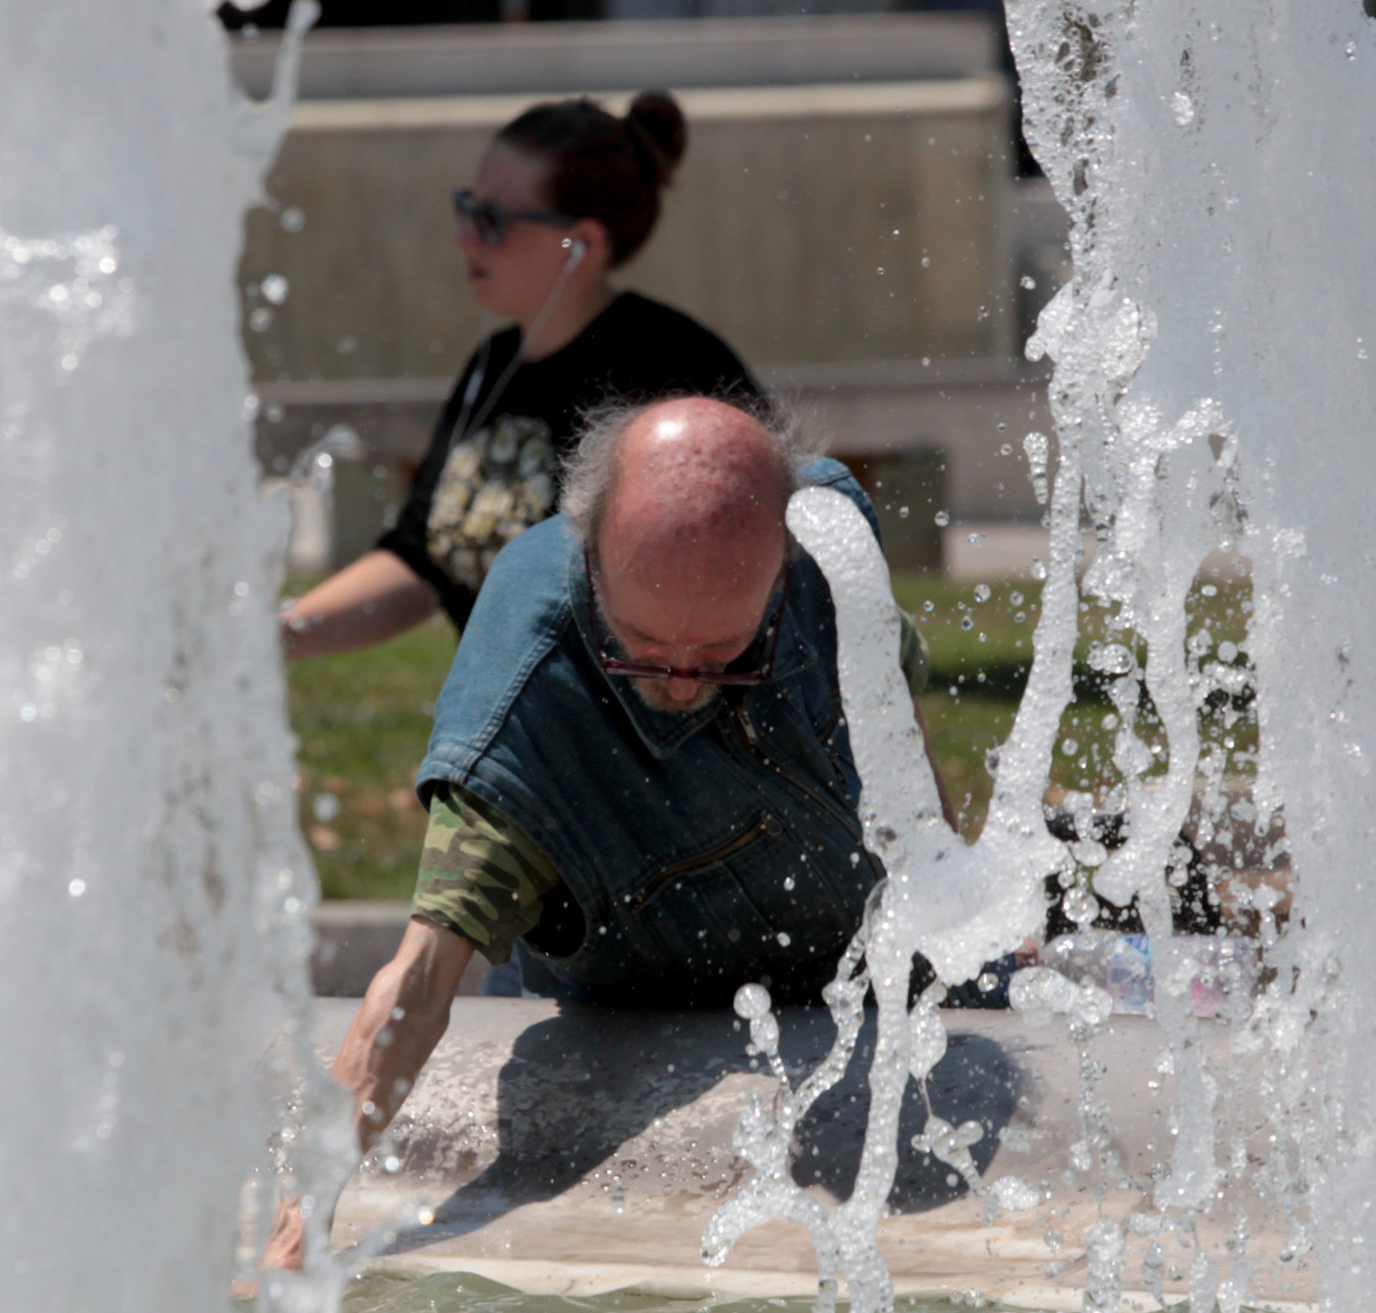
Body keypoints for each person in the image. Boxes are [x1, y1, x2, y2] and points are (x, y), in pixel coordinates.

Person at [266, 396, 938, 1269]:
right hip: (635, 1009)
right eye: (647, 650)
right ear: (592, 554)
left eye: (726, 652)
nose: (688, 683)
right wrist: (299, 1225)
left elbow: (901, 725)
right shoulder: (522, 708)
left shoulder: (831, 540)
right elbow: (418, 982)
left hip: (878, 980)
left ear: (782, 556)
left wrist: (954, 896)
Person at [278, 91, 763, 661]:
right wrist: (276, 635)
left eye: (494, 221)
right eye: (468, 207)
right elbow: (420, 559)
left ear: (579, 243)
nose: (464, 238)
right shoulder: (494, 363)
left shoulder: (671, 375)